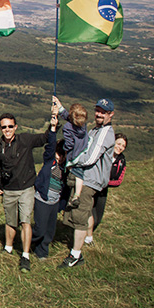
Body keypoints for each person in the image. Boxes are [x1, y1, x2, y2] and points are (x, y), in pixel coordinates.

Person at [0, 112, 48, 273]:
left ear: (15, 127)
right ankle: (8, 247)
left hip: (26, 187)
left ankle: (25, 255)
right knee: (10, 220)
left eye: (10, 126)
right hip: (8, 189)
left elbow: (44, 138)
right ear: (0, 128)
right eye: (4, 127)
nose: (7, 129)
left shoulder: (25, 140)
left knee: (25, 221)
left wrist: (54, 124)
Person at [59, 99, 115, 268]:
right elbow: (76, 124)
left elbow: (90, 157)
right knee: (86, 210)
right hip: (87, 178)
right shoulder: (96, 129)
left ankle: (76, 255)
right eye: (97, 110)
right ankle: (89, 239)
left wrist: (71, 161)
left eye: (103, 112)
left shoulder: (105, 133)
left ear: (110, 114)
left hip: (89, 180)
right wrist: (62, 110)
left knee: (80, 215)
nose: (99, 114)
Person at [30, 111, 65, 260]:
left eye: (62, 155)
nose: (59, 157)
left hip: (54, 202)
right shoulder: (50, 161)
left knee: (50, 230)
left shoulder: (66, 168)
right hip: (42, 199)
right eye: (58, 153)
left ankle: (42, 252)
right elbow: (50, 145)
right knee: (39, 228)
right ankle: (29, 241)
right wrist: (53, 128)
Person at [53, 97, 88, 209]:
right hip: (83, 152)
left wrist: (64, 149)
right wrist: (60, 107)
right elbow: (70, 119)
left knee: (73, 175)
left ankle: (73, 197)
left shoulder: (68, 127)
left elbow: (69, 144)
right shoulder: (83, 125)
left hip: (73, 155)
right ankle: (75, 195)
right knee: (80, 176)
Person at [90, 133, 128, 236]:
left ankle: (87, 237)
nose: (120, 147)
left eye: (123, 146)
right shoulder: (102, 154)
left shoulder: (122, 161)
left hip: (103, 191)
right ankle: (83, 238)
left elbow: (119, 181)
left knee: (97, 219)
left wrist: (104, 182)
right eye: (118, 143)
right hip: (91, 187)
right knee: (89, 216)